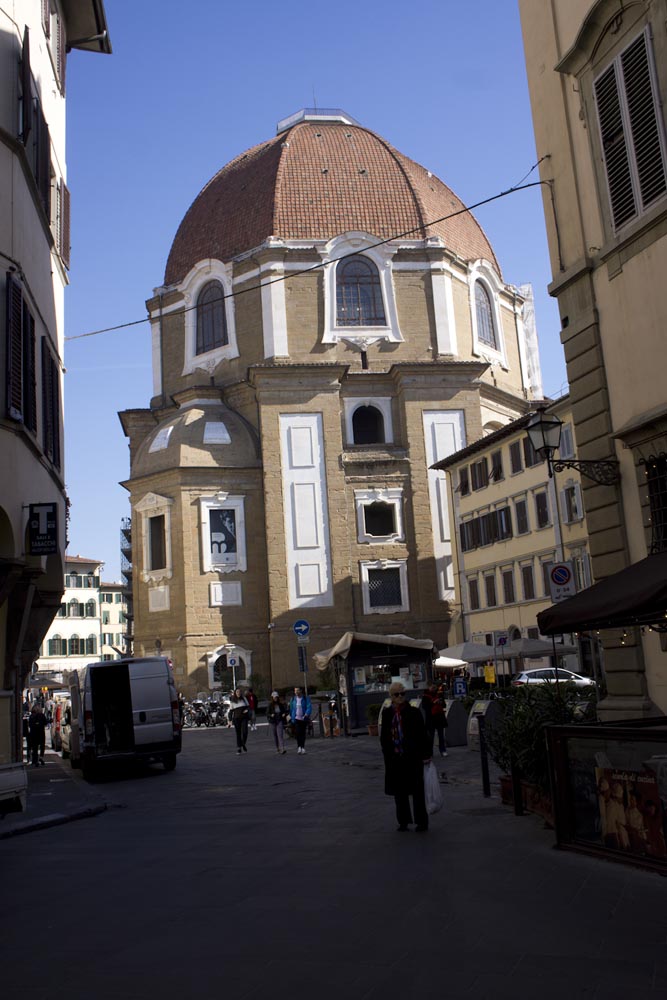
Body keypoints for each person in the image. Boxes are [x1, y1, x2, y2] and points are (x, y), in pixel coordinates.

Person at [380, 682, 432, 832]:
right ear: (391, 696)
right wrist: (387, 754)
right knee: (399, 791)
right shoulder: (387, 713)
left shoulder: (414, 712)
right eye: (397, 694)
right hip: (395, 757)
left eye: (402, 693)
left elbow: (423, 735)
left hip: (412, 756)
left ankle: (421, 822)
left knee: (417, 790)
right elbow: (384, 737)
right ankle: (403, 821)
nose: (400, 697)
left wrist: (426, 754)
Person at [421, 684, 448, 757]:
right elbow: (425, 707)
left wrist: (441, 702)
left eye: (434, 687)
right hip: (431, 719)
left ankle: (443, 750)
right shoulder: (425, 696)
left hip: (439, 717)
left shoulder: (439, 694)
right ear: (429, 687)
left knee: (441, 736)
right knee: (430, 736)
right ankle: (430, 751)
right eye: (432, 687)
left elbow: (444, 705)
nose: (434, 688)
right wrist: (433, 703)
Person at [288, 687, 312, 754]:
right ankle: (299, 747)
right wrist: (291, 716)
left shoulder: (305, 698)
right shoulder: (293, 699)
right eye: (295, 690)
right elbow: (291, 708)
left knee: (303, 733)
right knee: (298, 733)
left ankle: (303, 747)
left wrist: (306, 714)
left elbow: (309, 707)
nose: (296, 692)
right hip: (296, 719)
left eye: (297, 690)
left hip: (303, 718)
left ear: (301, 691)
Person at [228, 687, 249, 754]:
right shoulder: (233, 701)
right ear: (235, 693)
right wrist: (230, 720)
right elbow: (230, 711)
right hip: (236, 719)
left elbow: (248, 707)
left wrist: (247, 710)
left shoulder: (244, 699)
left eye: (239, 692)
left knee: (245, 732)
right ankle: (239, 748)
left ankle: (243, 743)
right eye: (237, 692)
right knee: (238, 734)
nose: (238, 693)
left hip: (244, 718)